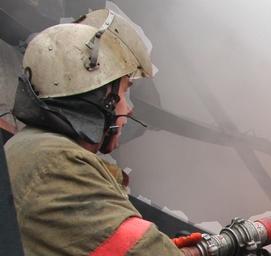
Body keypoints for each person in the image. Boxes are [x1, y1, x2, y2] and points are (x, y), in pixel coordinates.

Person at [4, 9, 196, 255]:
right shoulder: (57, 162)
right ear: (99, 96)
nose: (129, 107)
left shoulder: (32, 146)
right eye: (125, 91)